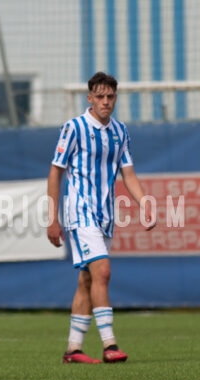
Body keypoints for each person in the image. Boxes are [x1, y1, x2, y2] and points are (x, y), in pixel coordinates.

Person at [47, 71, 155, 364]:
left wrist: (145, 202)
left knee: (87, 280)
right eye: (100, 97)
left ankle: (73, 350)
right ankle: (110, 344)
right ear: (90, 98)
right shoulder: (74, 128)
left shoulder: (120, 132)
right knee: (103, 271)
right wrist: (52, 217)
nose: (106, 102)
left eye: (110, 97)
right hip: (80, 212)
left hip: (105, 215)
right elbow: (56, 171)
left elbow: (128, 173)